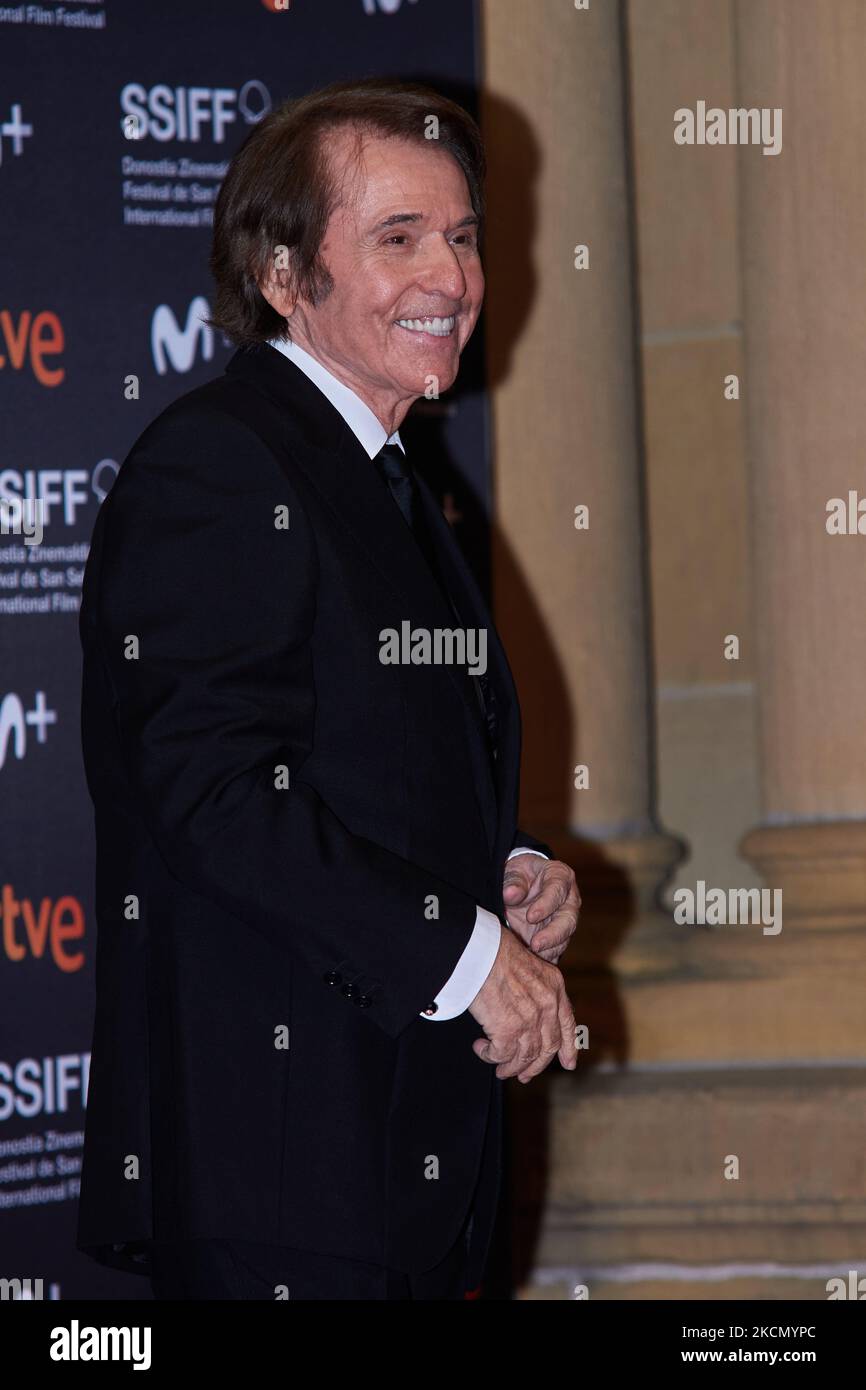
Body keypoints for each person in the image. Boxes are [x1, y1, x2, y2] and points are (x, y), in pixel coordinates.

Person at [77, 77, 581, 1301]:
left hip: (397, 1161)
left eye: (461, 237)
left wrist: (498, 865)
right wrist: (470, 957)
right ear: (284, 275)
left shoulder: (393, 478)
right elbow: (211, 789)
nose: (452, 278)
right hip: (287, 1169)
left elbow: (361, 758)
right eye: (397, 238)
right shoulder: (219, 460)